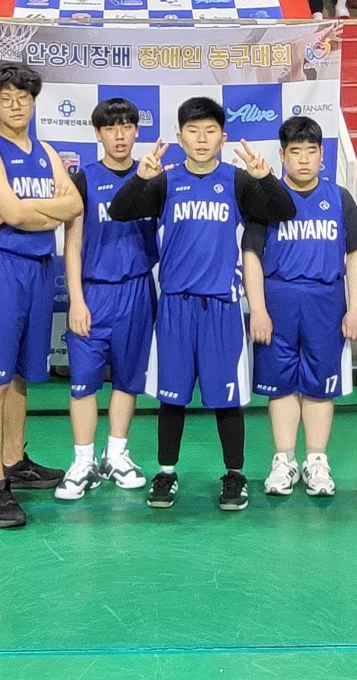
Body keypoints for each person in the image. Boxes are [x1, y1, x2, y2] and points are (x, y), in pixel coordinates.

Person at [110, 97, 296, 512]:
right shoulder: (165, 182)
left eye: (210, 131)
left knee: (226, 398)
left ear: (222, 137)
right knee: (171, 396)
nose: (201, 138)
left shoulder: (237, 181)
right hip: (175, 306)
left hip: (221, 307)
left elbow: (284, 211)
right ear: (180, 138)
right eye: (193, 131)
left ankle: (234, 474)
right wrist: (140, 178)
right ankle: (166, 472)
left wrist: (266, 178)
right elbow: (120, 211)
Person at [0, 62, 81, 528]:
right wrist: (35, 211)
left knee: (20, 375)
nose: (16, 105)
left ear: (33, 102)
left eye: (24, 98)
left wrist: (24, 208)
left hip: (39, 268)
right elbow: (13, 214)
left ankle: (14, 460)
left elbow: (73, 205)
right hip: (0, 268)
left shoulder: (46, 150)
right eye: (6, 98)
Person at [245, 115, 357, 499]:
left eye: (310, 151)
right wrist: (258, 309)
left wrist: (356, 307)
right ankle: (284, 460)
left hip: (325, 301)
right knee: (280, 384)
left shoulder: (339, 198)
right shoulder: (267, 199)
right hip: (278, 299)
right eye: (295, 152)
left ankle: (316, 460)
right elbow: (251, 255)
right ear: (281, 155)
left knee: (319, 384)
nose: (303, 159)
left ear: (322, 155)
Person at [55, 97, 159, 501]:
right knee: (83, 383)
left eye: (126, 127)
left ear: (137, 131)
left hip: (137, 290)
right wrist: (76, 300)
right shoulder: (83, 179)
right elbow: (73, 244)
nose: (119, 135)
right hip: (94, 292)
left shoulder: (153, 178)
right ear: (98, 133)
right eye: (111, 128)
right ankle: (83, 461)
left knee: (128, 378)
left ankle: (116, 454)